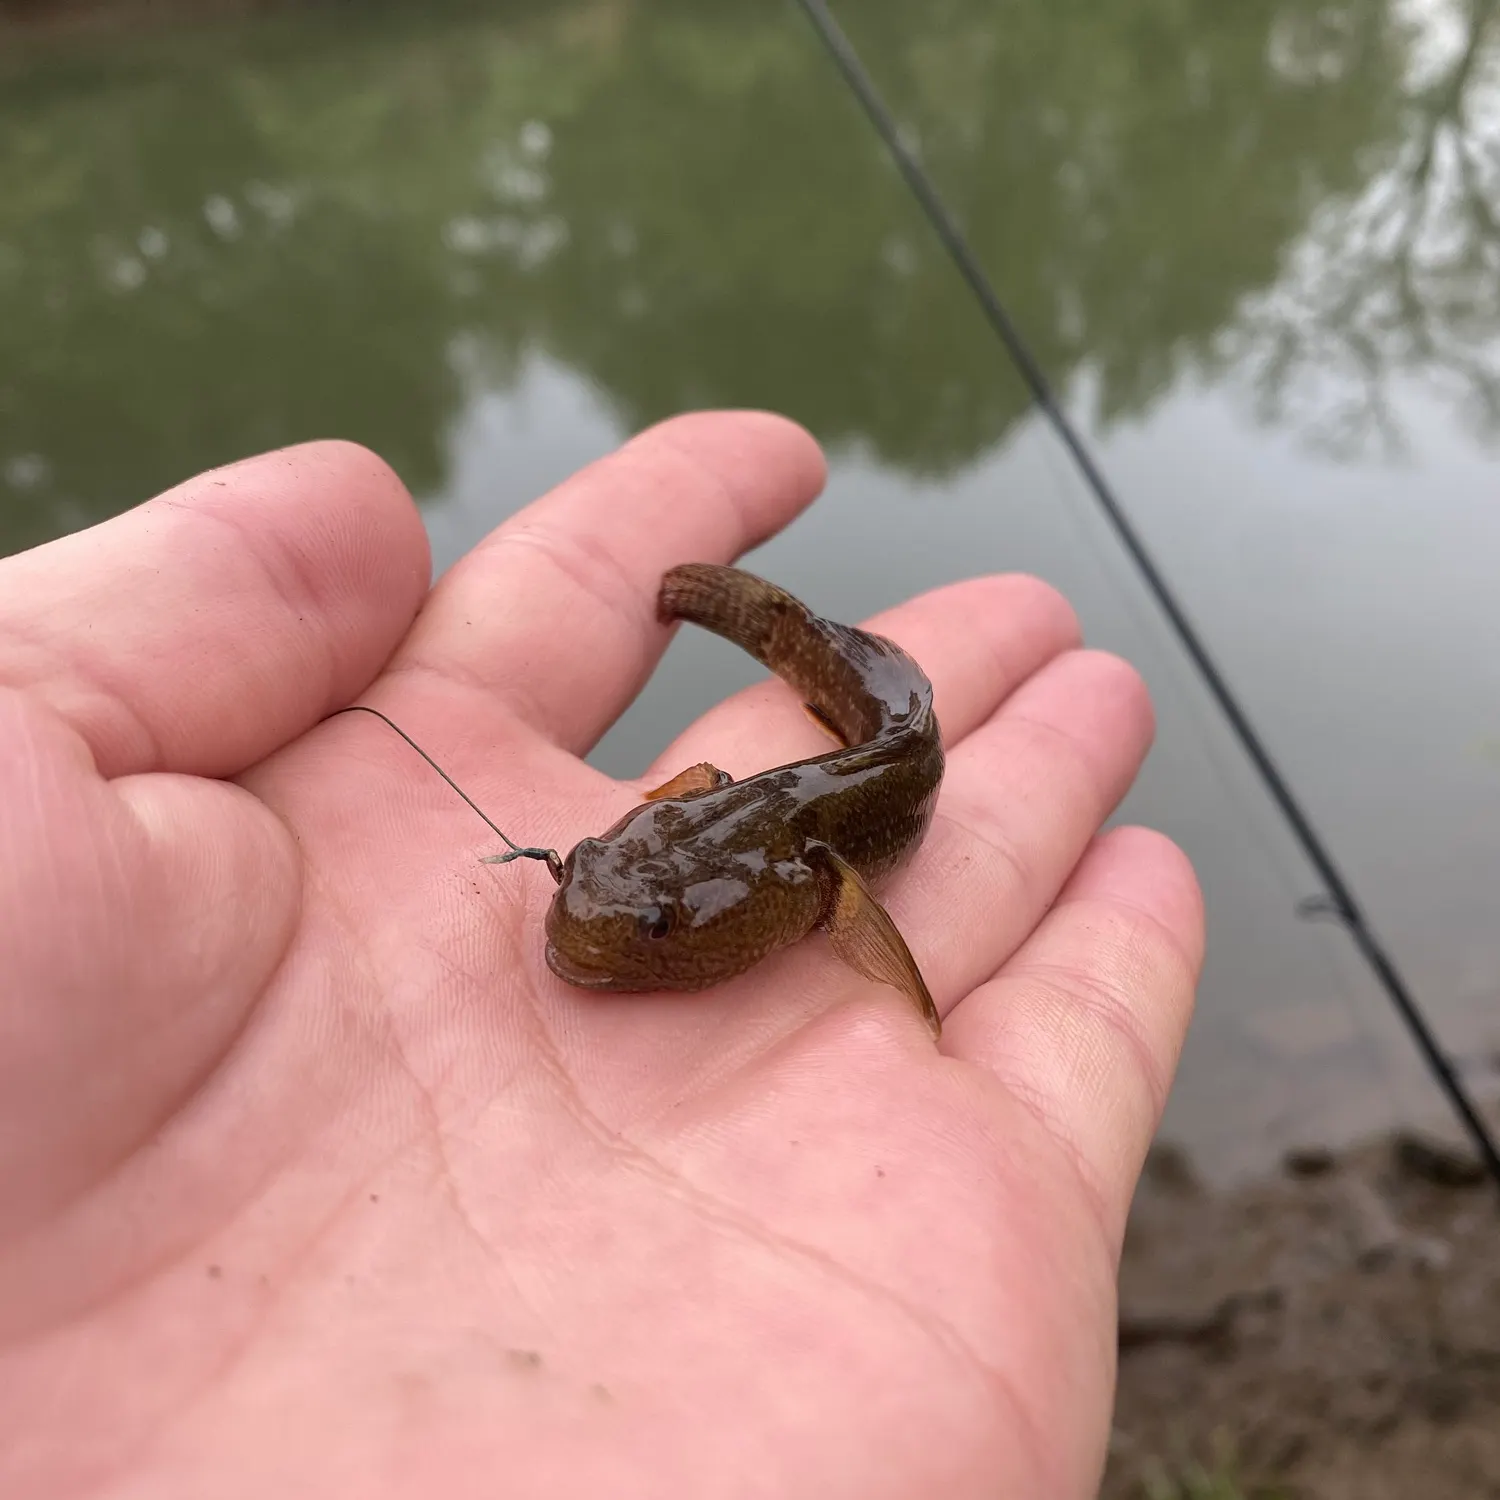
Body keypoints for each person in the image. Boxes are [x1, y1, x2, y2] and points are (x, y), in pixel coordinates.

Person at [0, 412, 1202, 1499]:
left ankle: (778, 641)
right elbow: (689, 808)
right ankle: (758, 646)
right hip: (774, 790)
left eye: (654, 927)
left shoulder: (826, 866)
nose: (585, 929)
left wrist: (897, 991)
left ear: (807, 892)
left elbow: (761, 833)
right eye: (584, 882)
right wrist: (640, 857)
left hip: (880, 747)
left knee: (894, 725)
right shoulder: (684, 855)